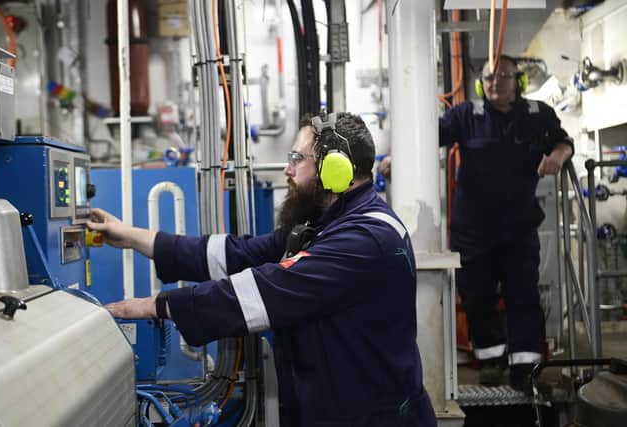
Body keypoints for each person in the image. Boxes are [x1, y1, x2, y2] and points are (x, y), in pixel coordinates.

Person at [89, 112, 437, 427]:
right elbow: (237, 255)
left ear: (335, 169)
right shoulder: (326, 225)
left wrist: (156, 305)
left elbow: (266, 290)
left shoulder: (364, 238)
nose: (287, 169)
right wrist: (133, 236)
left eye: (297, 158)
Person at [379, 55, 573, 390]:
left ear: (519, 81)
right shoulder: (466, 116)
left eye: (503, 76)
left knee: (523, 295)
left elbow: (563, 141)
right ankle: (490, 360)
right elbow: (428, 139)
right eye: (488, 77)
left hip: (518, 228)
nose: (494, 83)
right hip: (474, 231)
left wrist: (557, 157)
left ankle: (526, 369)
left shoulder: (538, 116)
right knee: (477, 297)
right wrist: (398, 157)